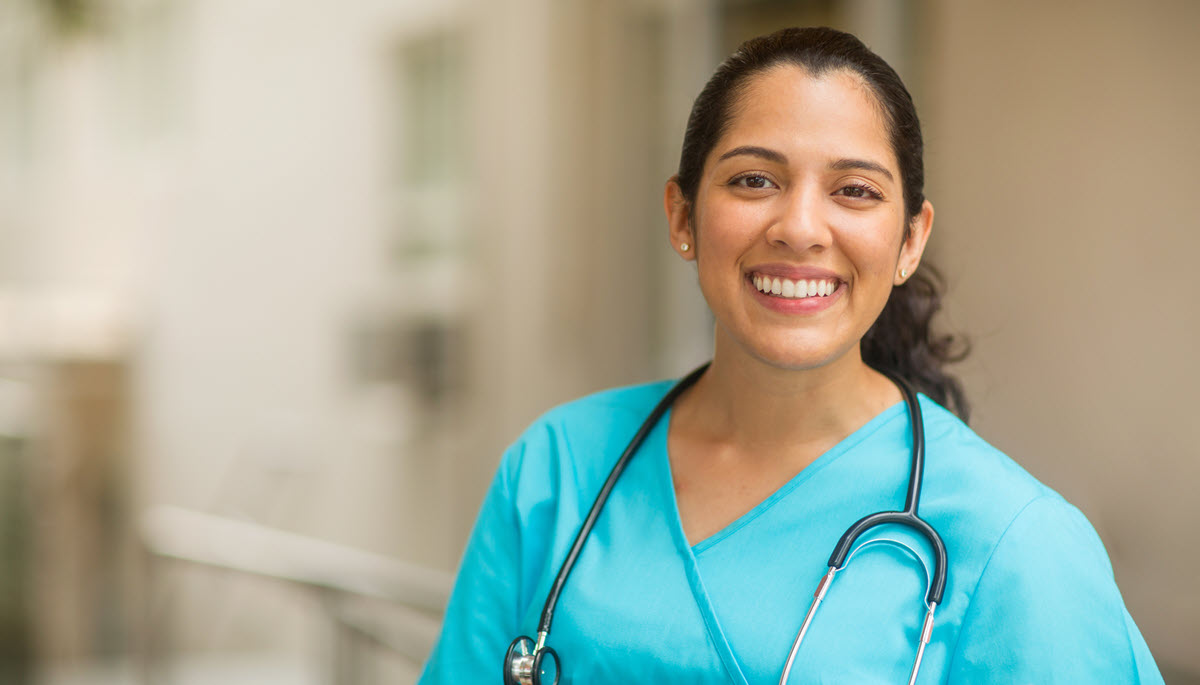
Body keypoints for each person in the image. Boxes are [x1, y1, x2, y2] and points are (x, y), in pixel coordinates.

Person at [418, 27, 1163, 684]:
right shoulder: (556, 471)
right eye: (754, 180)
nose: (800, 227)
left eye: (855, 190)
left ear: (910, 240)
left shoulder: (1017, 544)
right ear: (681, 215)